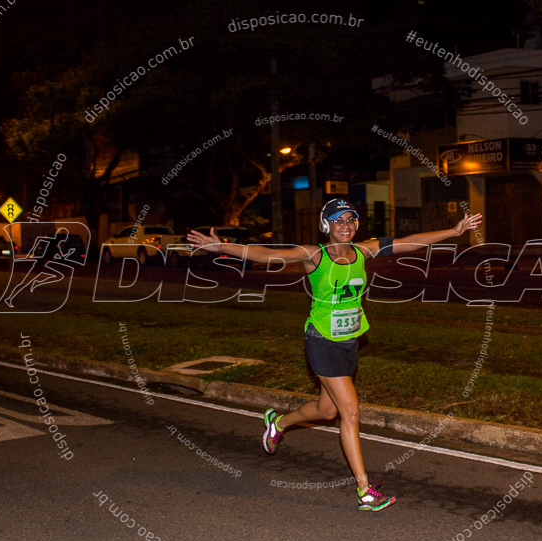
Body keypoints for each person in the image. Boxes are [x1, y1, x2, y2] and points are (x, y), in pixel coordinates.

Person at [187, 199, 482, 511]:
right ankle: (365, 491)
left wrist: (453, 230)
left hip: (350, 341)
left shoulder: (363, 250)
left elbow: (407, 243)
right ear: (325, 225)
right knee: (350, 412)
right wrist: (222, 246)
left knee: (327, 412)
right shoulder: (315, 255)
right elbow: (267, 254)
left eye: (351, 220)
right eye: (339, 221)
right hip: (322, 340)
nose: (346, 226)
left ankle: (279, 423)